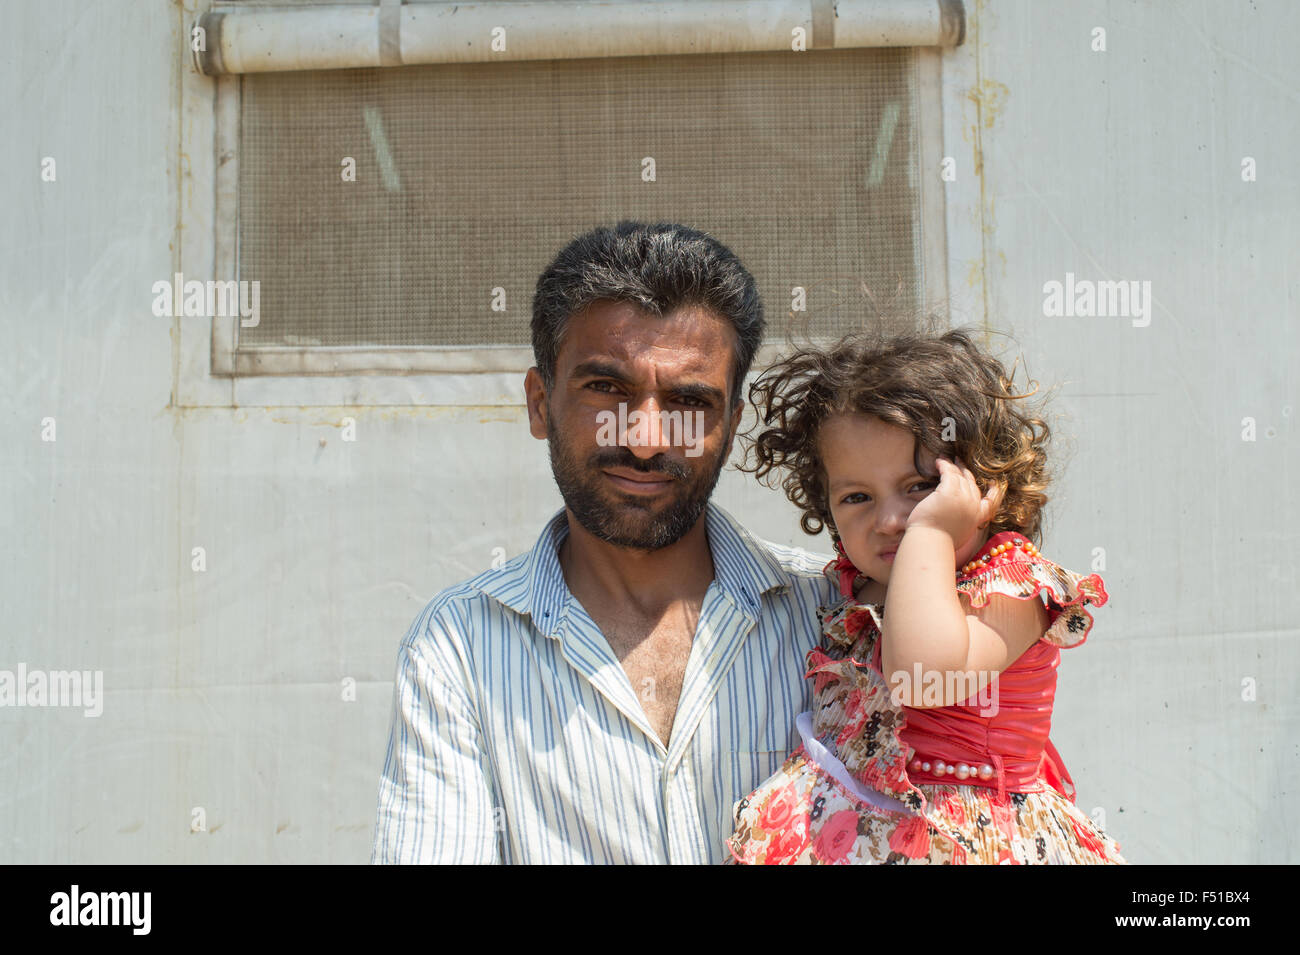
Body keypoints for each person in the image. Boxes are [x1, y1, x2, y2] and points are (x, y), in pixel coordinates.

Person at [370, 221, 841, 864]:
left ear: (731, 425)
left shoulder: (836, 618)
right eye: (606, 389)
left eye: (688, 400)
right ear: (540, 404)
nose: (645, 439)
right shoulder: (459, 649)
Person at [725, 328, 1127, 864]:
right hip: (845, 830)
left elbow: (918, 677)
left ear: (987, 481)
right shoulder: (852, 587)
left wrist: (933, 534)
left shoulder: (1013, 589)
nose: (892, 520)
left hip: (961, 838)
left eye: (920, 487)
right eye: (856, 497)